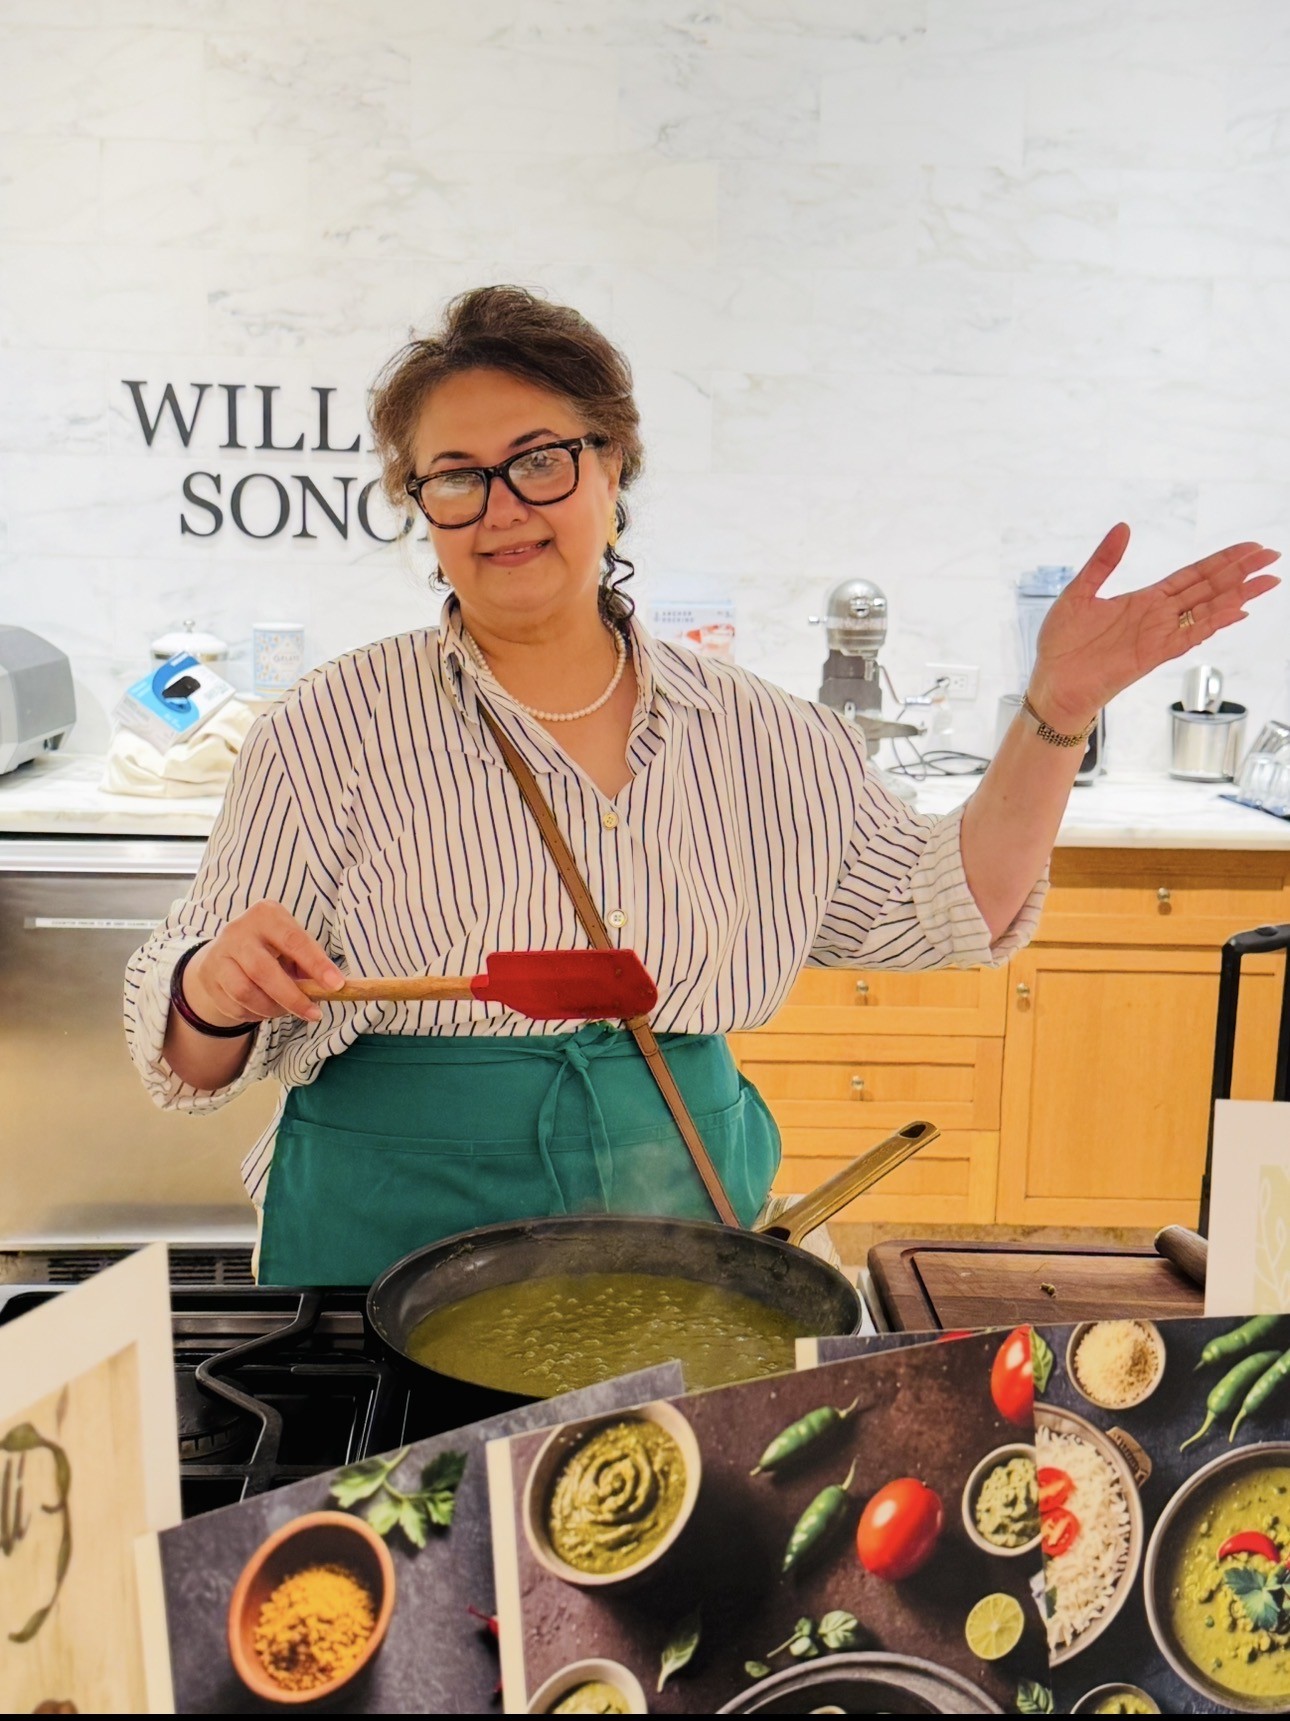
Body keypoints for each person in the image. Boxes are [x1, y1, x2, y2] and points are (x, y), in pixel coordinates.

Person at [124, 286, 1280, 1285]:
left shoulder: (763, 735)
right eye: (456, 477)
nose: (502, 506)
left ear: (612, 465)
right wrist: (213, 990)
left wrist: (1057, 710)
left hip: (676, 1233)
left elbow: (949, 906)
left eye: (539, 459)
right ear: (419, 506)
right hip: (387, 1248)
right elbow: (185, 1055)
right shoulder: (328, 728)